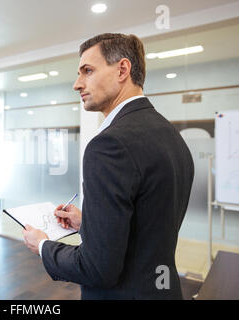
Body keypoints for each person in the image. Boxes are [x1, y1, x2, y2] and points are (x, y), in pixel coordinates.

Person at [22, 33, 194, 299]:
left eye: (87, 71)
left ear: (122, 69)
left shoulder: (110, 144)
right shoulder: (170, 134)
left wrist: (43, 245)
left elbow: (96, 269)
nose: (77, 84)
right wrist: (89, 222)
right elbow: (149, 225)